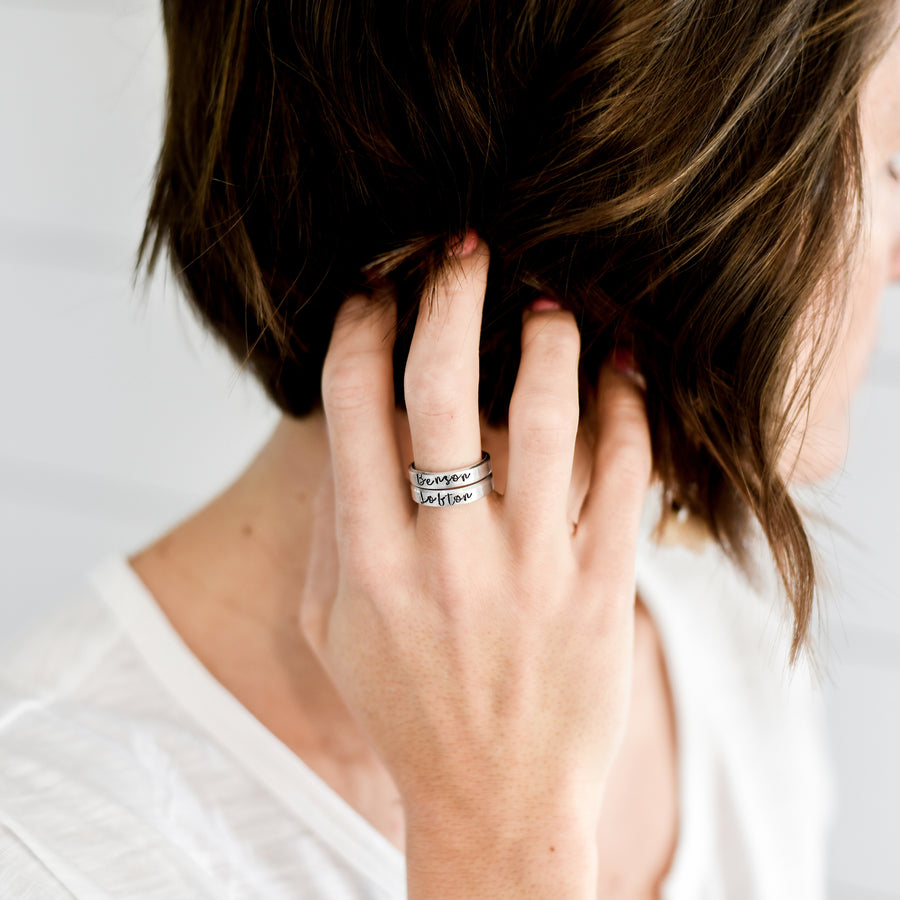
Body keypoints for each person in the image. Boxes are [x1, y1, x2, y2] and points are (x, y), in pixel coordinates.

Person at [2, 0, 899, 897]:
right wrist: (498, 845)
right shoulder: (53, 850)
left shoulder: (721, 629)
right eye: (891, 162)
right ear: (655, 179)